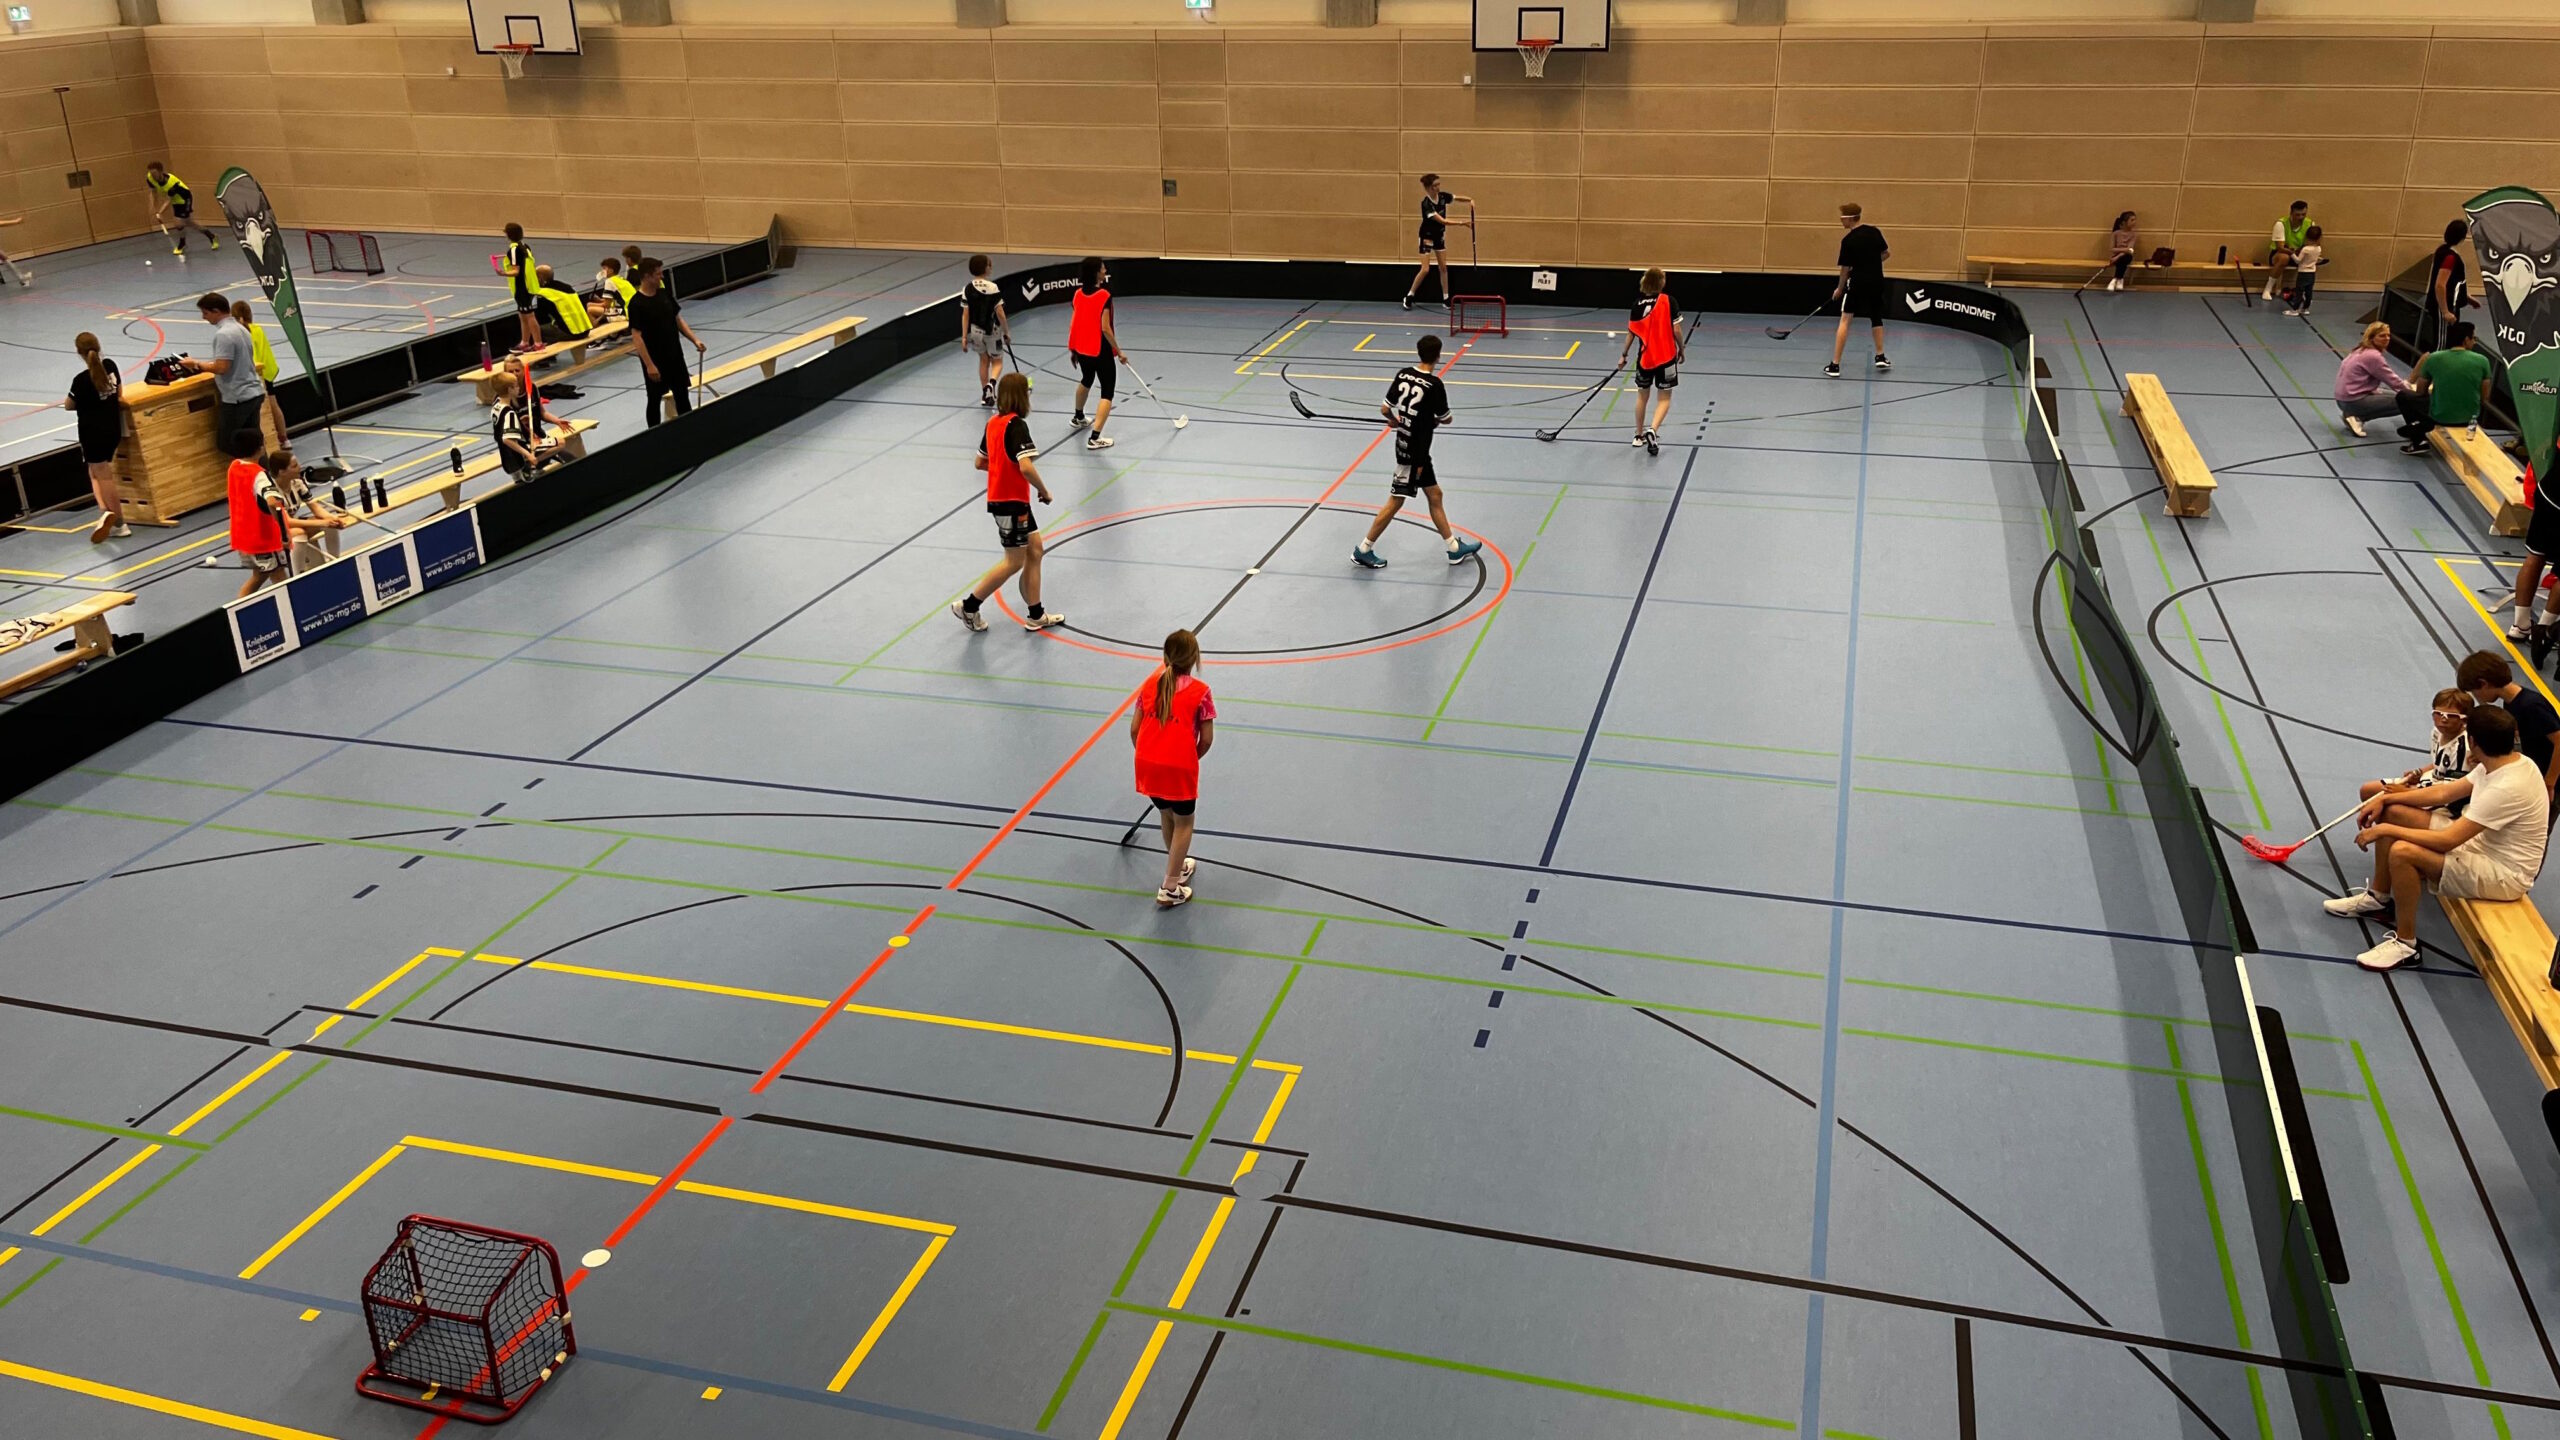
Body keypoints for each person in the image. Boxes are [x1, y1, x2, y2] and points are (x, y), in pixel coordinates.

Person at [2324, 705, 2547, 972]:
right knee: (2393, 812)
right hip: (2480, 844)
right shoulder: (2506, 762)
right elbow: (2444, 794)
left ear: (2473, 742)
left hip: (2503, 874)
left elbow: (2447, 841)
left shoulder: (2507, 787)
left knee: (2402, 852)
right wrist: (2386, 798)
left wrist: (2385, 830)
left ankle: (2406, 946)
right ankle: (2378, 900)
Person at [1353, 334, 1485, 570]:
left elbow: (1385, 409)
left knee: (1435, 495)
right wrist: (1434, 420)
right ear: (1438, 356)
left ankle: (1454, 548)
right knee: (1396, 500)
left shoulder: (1403, 373)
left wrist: (1394, 420)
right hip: (1415, 454)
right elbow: (1447, 418)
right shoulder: (1434, 385)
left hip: (1406, 443)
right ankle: (1363, 549)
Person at [952, 372, 1064, 633]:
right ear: (1021, 396)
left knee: (1035, 550)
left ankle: (1036, 614)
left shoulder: (993, 423)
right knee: (1014, 561)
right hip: (1011, 503)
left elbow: (980, 462)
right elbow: (1025, 467)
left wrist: (1002, 469)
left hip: (1008, 500)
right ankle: (969, 606)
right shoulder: (1016, 425)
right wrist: (1043, 490)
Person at [1130, 629, 1215, 910]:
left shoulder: (1149, 684)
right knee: (1184, 823)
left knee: (1166, 813)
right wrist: (1189, 759)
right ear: (1195, 658)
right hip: (1178, 766)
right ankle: (1169, 888)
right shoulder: (1201, 692)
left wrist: (1148, 755)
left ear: (1165, 656)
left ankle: (1177, 868)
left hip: (1146, 763)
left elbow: (1134, 729)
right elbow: (1206, 739)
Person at [225, 428, 340, 599]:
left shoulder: (234, 467)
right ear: (260, 448)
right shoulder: (259, 476)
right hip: (262, 537)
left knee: (264, 575)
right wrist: (284, 533)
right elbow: (273, 503)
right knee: (275, 576)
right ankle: (291, 606)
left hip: (242, 536)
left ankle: (239, 610)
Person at [2457, 651, 2560, 808]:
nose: (2477, 697)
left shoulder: (2531, 706)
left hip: (2551, 778)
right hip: (2535, 774)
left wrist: (2549, 783)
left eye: (2474, 691)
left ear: (2483, 684)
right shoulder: (2512, 702)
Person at [2359, 689, 2473, 815]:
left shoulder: (2463, 748)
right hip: (2430, 783)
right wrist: (2420, 772)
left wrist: (2405, 792)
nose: (2443, 719)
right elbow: (2440, 764)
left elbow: (2449, 794)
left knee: (2390, 810)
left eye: (2451, 716)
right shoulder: (2437, 732)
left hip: (2445, 803)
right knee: (2368, 790)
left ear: (2464, 720)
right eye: (2438, 714)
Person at [627, 256, 706, 428]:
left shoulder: (664, 294)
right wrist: (649, 365)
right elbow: (637, 337)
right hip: (655, 360)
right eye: (658, 274)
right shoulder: (636, 304)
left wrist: (695, 340)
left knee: (682, 394)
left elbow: (678, 320)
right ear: (647, 276)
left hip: (675, 355)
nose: (662, 277)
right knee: (654, 399)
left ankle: (689, 428)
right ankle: (653, 434)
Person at [179, 293, 265, 450]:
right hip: (253, 392)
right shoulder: (241, 328)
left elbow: (222, 368)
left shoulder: (224, 334)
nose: (204, 317)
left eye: (205, 313)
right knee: (253, 444)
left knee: (229, 444)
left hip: (238, 398)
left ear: (216, 311)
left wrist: (196, 364)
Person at [2396, 320, 2493, 456]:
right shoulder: (2483, 360)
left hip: (2439, 417)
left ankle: (2418, 439)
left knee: (2403, 396)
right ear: (2466, 340)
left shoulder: (2433, 358)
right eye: (2474, 338)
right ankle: (2419, 427)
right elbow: (2484, 397)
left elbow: (2420, 391)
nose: (2474, 342)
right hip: (2469, 418)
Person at [64, 333, 125, 542]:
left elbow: (68, 405)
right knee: (95, 471)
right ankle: (104, 511)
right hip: (113, 428)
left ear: (78, 352)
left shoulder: (81, 380)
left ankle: (119, 523)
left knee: (104, 476)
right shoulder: (110, 366)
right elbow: (119, 393)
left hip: (92, 433)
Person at [1616, 266, 1681, 456]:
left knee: (1642, 396)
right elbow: (1677, 330)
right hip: (1667, 357)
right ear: (1661, 282)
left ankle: (1638, 436)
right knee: (1664, 398)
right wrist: (1682, 348)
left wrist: (1623, 355)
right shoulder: (1669, 301)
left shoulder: (1637, 304)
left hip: (1645, 359)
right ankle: (1652, 430)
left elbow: (1631, 333)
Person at [1066, 256, 1124, 452]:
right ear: (1096, 273)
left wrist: (1073, 348)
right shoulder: (1103, 296)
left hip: (1082, 349)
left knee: (1087, 379)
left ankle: (1078, 417)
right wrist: (1119, 351)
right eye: (1103, 268)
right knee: (1107, 391)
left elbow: (1074, 323)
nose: (1105, 270)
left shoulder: (1077, 294)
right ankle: (1095, 438)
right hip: (1100, 350)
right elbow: (1105, 328)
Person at [1828, 202, 1889, 378]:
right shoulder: (1874, 232)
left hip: (1857, 283)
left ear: (1850, 219)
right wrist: (1870, 263)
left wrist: (1839, 289)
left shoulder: (1848, 240)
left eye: (1842, 218)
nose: (1840, 221)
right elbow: (1886, 254)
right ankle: (1880, 356)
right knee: (1876, 316)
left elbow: (1845, 269)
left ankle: (1835, 365)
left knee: (1845, 319)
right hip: (1877, 281)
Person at [1402, 173, 1473, 312]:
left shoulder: (1442, 196)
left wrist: (1470, 200)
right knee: (1425, 269)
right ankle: (1409, 296)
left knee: (1443, 268)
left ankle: (1446, 299)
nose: (1438, 187)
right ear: (1429, 188)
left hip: (1439, 237)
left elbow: (1456, 198)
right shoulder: (1426, 204)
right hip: (1426, 237)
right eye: (1435, 185)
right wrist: (1462, 223)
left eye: (1439, 184)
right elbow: (1443, 221)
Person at [2333, 322, 2410, 438]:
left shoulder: (2361, 350)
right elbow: (2392, 380)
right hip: (2352, 401)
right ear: (2371, 337)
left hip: (2344, 398)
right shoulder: (2373, 356)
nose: (2387, 338)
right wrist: (2413, 394)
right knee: (2406, 401)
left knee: (2396, 395)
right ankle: (2358, 417)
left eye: (2388, 335)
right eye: (2382, 336)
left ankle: (2352, 415)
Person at [488, 371, 563, 479]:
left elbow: (501, 428)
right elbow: (507, 440)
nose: (519, 388)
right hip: (518, 453)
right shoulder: (509, 413)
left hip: (505, 454)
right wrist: (528, 455)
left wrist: (519, 422)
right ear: (509, 389)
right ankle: (530, 463)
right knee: (560, 442)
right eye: (516, 386)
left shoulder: (496, 406)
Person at [230, 299, 287, 440]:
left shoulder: (243, 333)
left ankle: (267, 440)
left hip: (258, 373)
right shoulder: (257, 329)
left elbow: (252, 356)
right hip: (268, 370)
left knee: (261, 410)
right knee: (273, 404)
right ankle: (284, 438)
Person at [962, 254, 1010, 407]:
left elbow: (965, 314)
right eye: (989, 265)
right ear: (984, 268)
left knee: (983, 360)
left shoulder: (967, 288)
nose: (991, 267)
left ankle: (985, 395)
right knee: (997, 361)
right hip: (992, 331)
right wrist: (1006, 332)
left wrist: (964, 337)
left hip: (974, 331)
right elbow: (1000, 313)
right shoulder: (992, 287)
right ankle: (992, 384)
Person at [144, 163, 219, 259]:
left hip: (184, 198)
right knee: (188, 223)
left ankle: (182, 244)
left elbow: (168, 200)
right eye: (151, 174)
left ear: (161, 172)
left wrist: (160, 212)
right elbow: (153, 193)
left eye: (155, 174)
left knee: (180, 223)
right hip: (175, 199)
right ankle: (211, 236)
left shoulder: (171, 183)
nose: (153, 176)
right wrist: (153, 208)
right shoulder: (150, 178)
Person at [2420, 218, 2472, 355]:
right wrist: (2445, 311)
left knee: (2448, 342)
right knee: (2441, 345)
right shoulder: (2450, 257)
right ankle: (2430, 368)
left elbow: (2452, 283)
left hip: (2449, 304)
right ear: (2463, 237)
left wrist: (2467, 297)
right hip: (2444, 306)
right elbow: (2440, 285)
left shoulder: (2442, 251)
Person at [527, 264, 594, 344]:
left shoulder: (544, 293)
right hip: (586, 330)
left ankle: (538, 350)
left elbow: (541, 317)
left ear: (540, 278)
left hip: (572, 333)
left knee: (534, 328)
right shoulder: (567, 287)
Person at [2264, 199, 2311, 303]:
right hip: (2281, 252)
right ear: (2291, 213)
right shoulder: (2281, 224)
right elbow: (2280, 247)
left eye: (2303, 214)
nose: (2301, 217)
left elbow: (2310, 243)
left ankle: (2303, 292)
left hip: (2299, 252)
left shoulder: (2310, 224)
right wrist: (2293, 253)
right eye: (2297, 215)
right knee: (2284, 258)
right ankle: (2268, 289)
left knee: (2310, 259)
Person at [503, 222, 540, 354]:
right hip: (528, 285)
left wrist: (502, 273)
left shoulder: (513, 250)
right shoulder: (525, 246)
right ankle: (524, 342)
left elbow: (516, 271)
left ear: (508, 235)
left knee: (529, 315)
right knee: (522, 315)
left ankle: (538, 343)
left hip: (522, 287)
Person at [2283, 225, 2325, 316]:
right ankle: (2305, 308)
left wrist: (2291, 253)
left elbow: (2298, 261)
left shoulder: (2305, 249)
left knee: (2299, 291)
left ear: (2306, 236)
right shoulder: (2319, 249)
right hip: (2312, 273)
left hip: (2303, 273)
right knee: (2308, 292)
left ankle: (2295, 309)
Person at [2106, 211, 2139, 291]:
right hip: (2116, 255)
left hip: (2126, 256)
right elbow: (2112, 249)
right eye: (2132, 220)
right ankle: (2120, 280)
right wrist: (2124, 251)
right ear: (2124, 222)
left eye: (2135, 220)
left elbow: (2130, 250)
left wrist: (2117, 257)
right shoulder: (2115, 233)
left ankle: (2115, 279)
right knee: (2122, 261)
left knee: (2125, 258)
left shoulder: (2134, 234)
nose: (2134, 222)